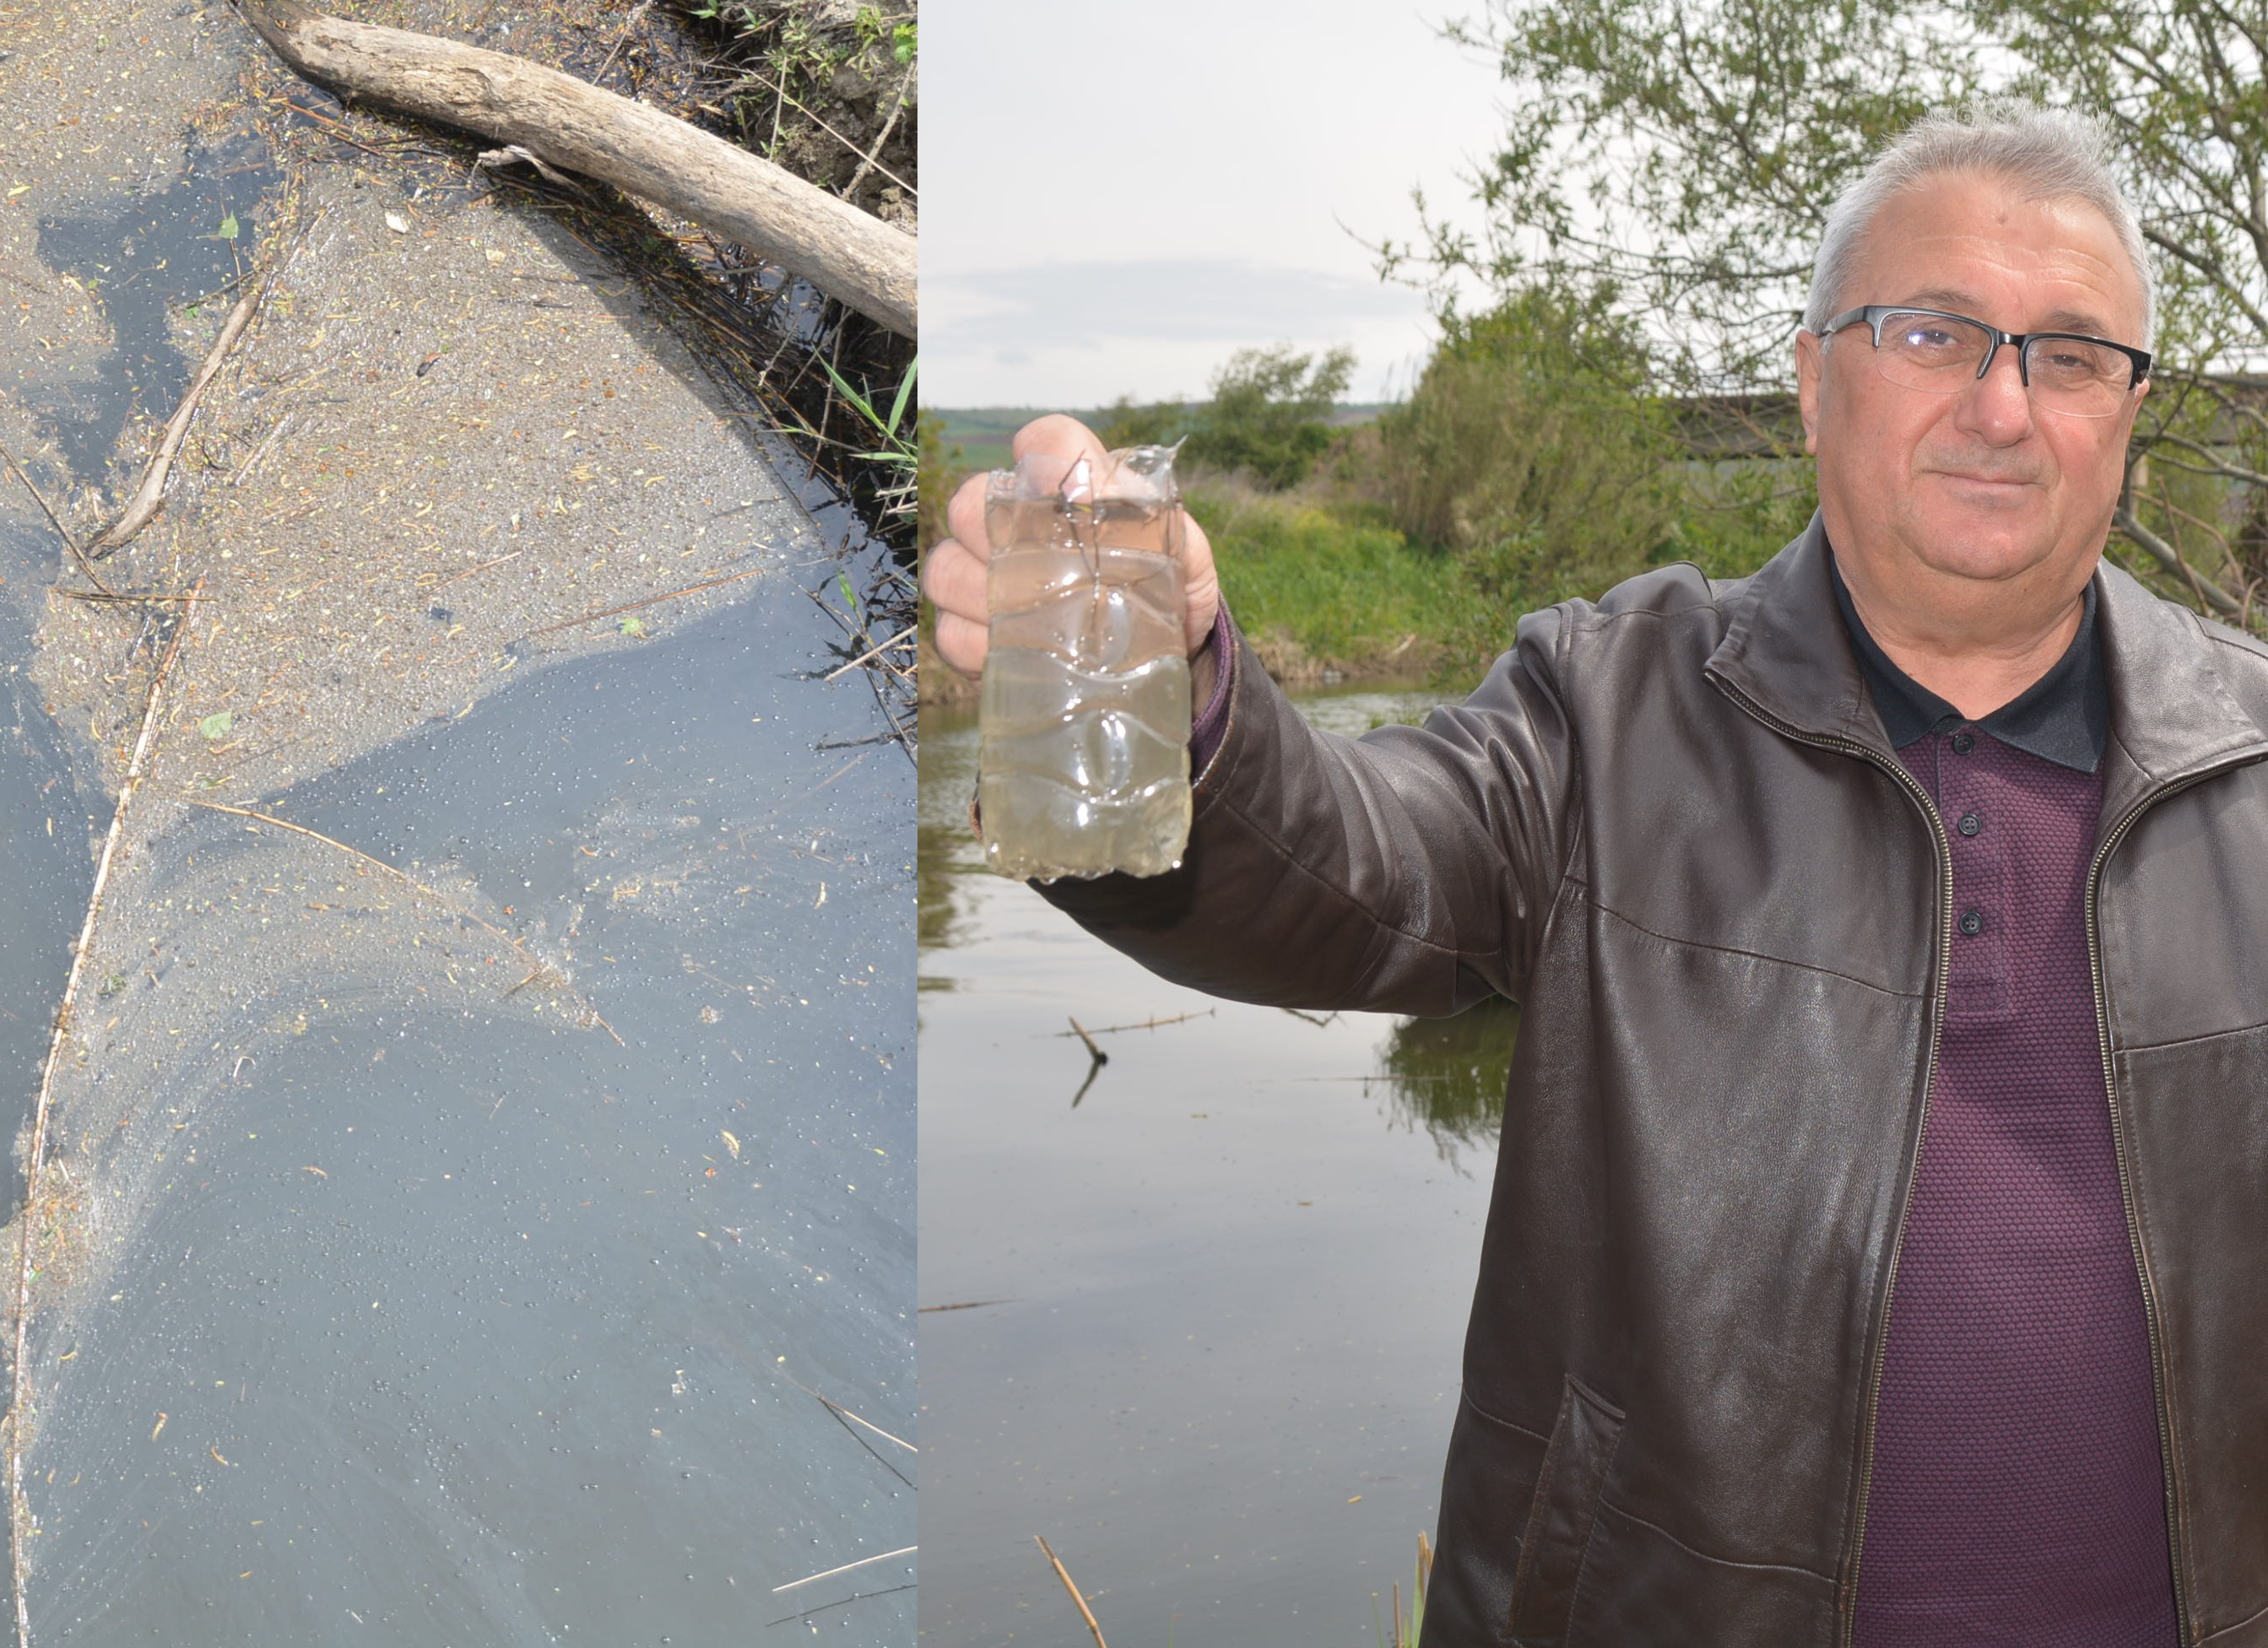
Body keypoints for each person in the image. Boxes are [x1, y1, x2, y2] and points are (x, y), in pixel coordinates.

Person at [926, 105, 2268, 1646]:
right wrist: (1172, 707)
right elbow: (1347, 874)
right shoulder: (1609, 711)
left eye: (2074, 354)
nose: (2004, 404)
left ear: (2129, 416)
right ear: (1814, 376)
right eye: (1932, 332)